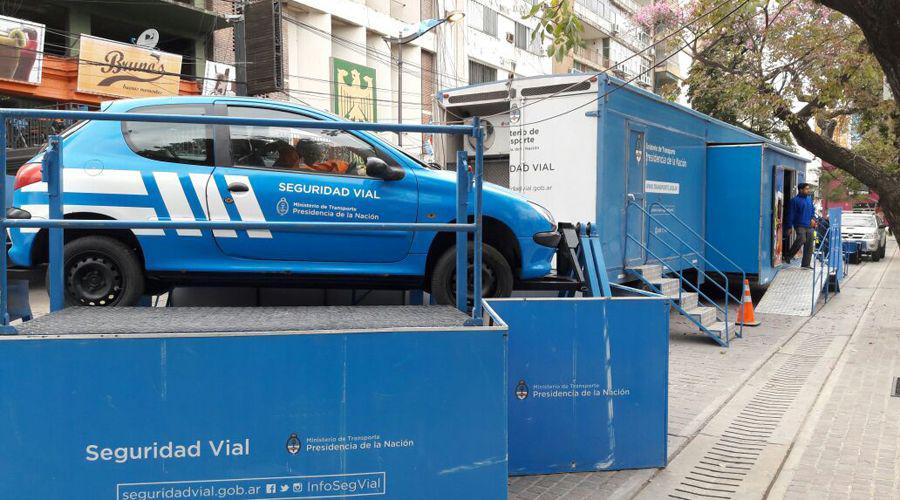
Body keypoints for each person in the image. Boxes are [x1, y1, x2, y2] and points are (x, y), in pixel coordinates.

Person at [786, 183, 816, 268]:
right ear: (801, 190)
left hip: (809, 225)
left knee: (809, 245)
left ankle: (806, 264)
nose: (808, 190)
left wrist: (813, 218)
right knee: (802, 239)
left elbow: (813, 210)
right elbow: (790, 214)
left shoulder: (809, 199)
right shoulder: (794, 201)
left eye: (808, 189)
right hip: (799, 225)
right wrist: (789, 227)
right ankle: (788, 255)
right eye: (806, 189)